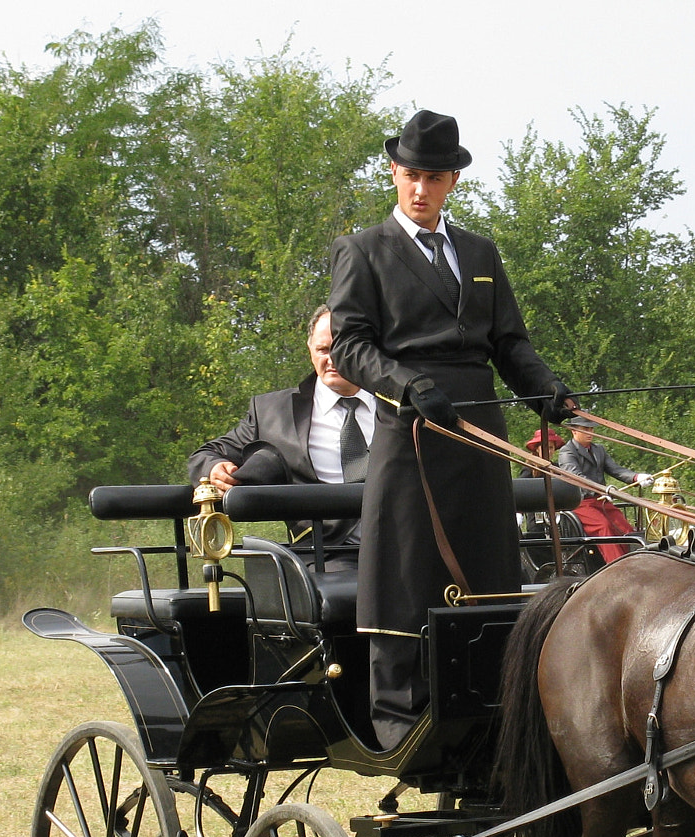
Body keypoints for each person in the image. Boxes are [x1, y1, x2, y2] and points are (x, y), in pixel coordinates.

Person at [327, 109, 573, 748]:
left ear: (452, 182)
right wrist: (406, 384)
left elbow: (510, 343)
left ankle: (486, 716)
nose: (420, 189)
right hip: (409, 435)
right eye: (411, 175)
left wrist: (545, 391)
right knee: (407, 572)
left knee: (489, 569)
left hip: (480, 434)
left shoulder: (481, 254)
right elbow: (351, 346)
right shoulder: (363, 251)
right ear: (394, 173)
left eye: (433, 178)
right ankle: (400, 717)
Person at [187, 305, 372, 551]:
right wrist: (214, 469)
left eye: (342, 349)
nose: (332, 359)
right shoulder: (272, 412)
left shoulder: (401, 407)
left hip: (406, 545)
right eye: (323, 350)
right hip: (325, 552)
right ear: (310, 350)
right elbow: (204, 455)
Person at [557, 415, 652, 563]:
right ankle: (617, 566)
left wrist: (636, 477)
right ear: (574, 431)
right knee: (604, 526)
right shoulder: (566, 452)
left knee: (624, 526)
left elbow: (615, 469)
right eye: (586, 429)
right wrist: (603, 490)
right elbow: (577, 478)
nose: (590, 432)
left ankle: (639, 561)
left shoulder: (599, 450)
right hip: (580, 503)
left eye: (592, 429)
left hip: (602, 500)